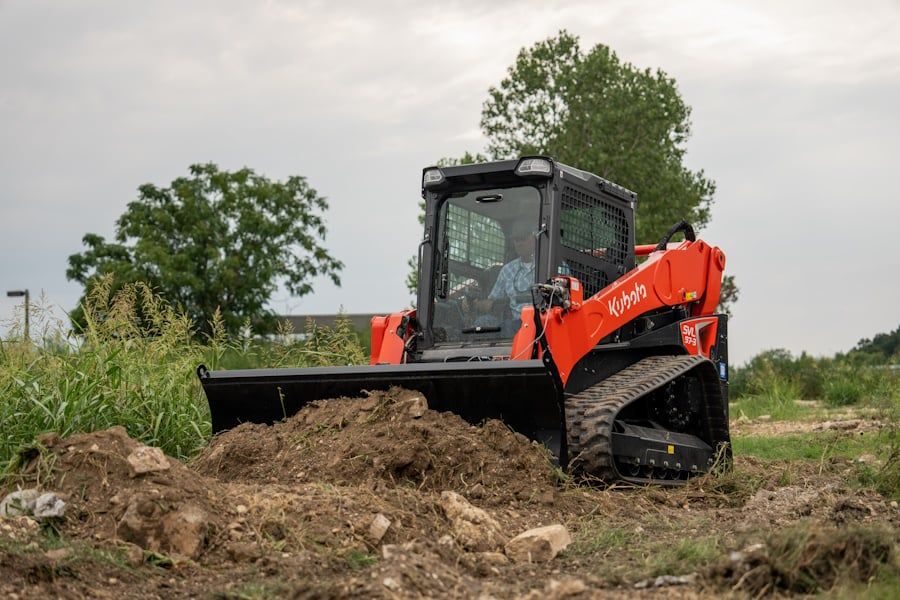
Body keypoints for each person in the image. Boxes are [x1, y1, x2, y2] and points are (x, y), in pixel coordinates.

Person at [473, 222, 536, 333]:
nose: (519, 243)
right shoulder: (507, 270)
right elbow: (492, 301)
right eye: (516, 240)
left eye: (523, 238)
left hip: (542, 321)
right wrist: (474, 303)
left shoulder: (550, 264)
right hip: (516, 324)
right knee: (483, 322)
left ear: (533, 239)